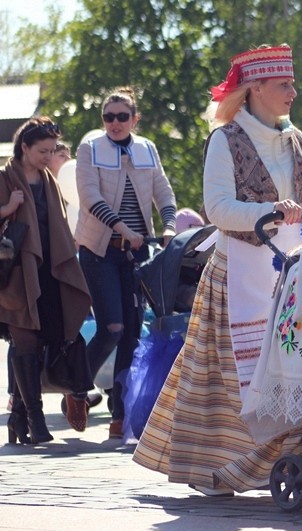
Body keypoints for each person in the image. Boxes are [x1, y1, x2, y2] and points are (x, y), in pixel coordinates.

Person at [133, 44, 302, 500]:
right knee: (231, 381)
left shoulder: (294, 140)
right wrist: (272, 209)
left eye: (291, 83)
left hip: (292, 272)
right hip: (237, 275)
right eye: (284, 84)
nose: (294, 91)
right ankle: (217, 470)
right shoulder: (224, 139)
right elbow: (218, 208)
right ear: (255, 89)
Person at [75, 86, 177, 439]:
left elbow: (164, 192)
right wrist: (122, 228)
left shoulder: (147, 148)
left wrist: (169, 226)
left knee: (133, 334)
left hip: (136, 251)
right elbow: (89, 197)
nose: (114, 123)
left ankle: (120, 416)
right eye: (108, 117)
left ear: (135, 119)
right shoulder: (90, 148)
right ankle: (77, 386)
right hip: (99, 249)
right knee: (112, 328)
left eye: (122, 116)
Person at [0, 117, 91, 444]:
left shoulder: (48, 180)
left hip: (48, 272)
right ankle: (36, 422)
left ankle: (19, 418)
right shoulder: (3, 178)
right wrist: (7, 207)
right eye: (42, 150)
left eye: (52, 150)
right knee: (24, 343)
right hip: (13, 274)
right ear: (24, 146)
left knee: (44, 343)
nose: (48, 156)